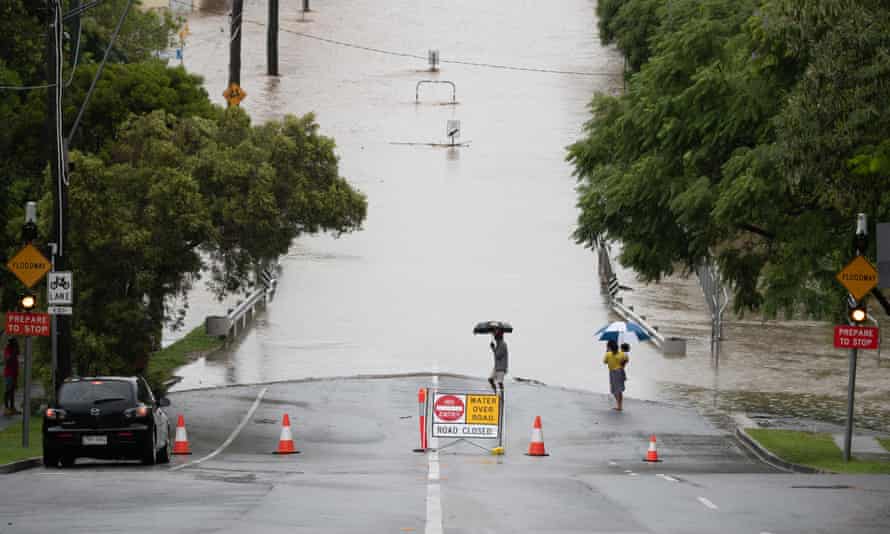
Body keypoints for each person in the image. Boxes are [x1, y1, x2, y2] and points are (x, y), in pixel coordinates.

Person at [603, 339, 628, 411]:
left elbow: (605, 362)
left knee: (614, 390)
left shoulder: (608, 354)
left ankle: (619, 406)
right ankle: (619, 405)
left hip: (613, 372)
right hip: (621, 371)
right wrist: (622, 364)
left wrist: (607, 352)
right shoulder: (622, 354)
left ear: (609, 347)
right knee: (619, 390)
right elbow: (626, 360)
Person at [488, 328, 508, 394]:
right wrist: (494, 348)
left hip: (501, 367)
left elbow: (498, 356)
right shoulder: (498, 344)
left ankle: (501, 395)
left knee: (500, 382)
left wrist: (493, 348)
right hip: (497, 367)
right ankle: (495, 392)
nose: (494, 337)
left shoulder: (502, 344)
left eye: (495, 336)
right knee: (490, 379)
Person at [4, 338, 20, 416]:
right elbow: (8, 359)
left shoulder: (15, 350)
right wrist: (13, 352)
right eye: (14, 343)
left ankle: (12, 408)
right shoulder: (8, 349)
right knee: (8, 391)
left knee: (12, 391)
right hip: (9, 374)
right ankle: (6, 408)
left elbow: (16, 360)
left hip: (14, 374)